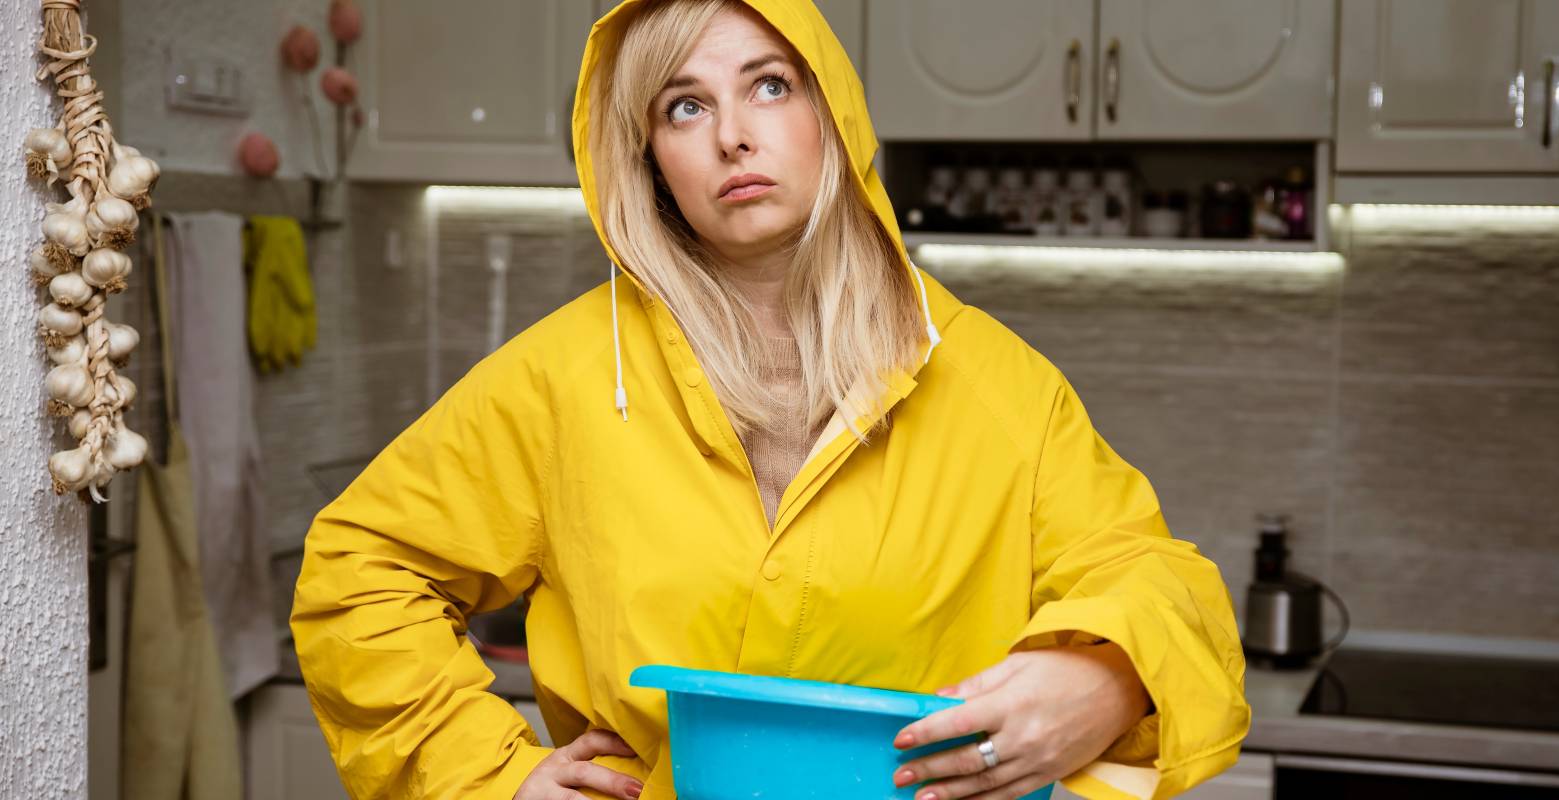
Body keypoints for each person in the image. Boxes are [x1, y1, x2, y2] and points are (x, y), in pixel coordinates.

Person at [288, 1, 1250, 798]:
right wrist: (494, 775)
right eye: (683, 108)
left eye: (769, 84)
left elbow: (1155, 577)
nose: (733, 134)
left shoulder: (992, 379)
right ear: (650, 161)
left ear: (831, 110)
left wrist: (1111, 680)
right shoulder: (565, 377)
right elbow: (358, 570)